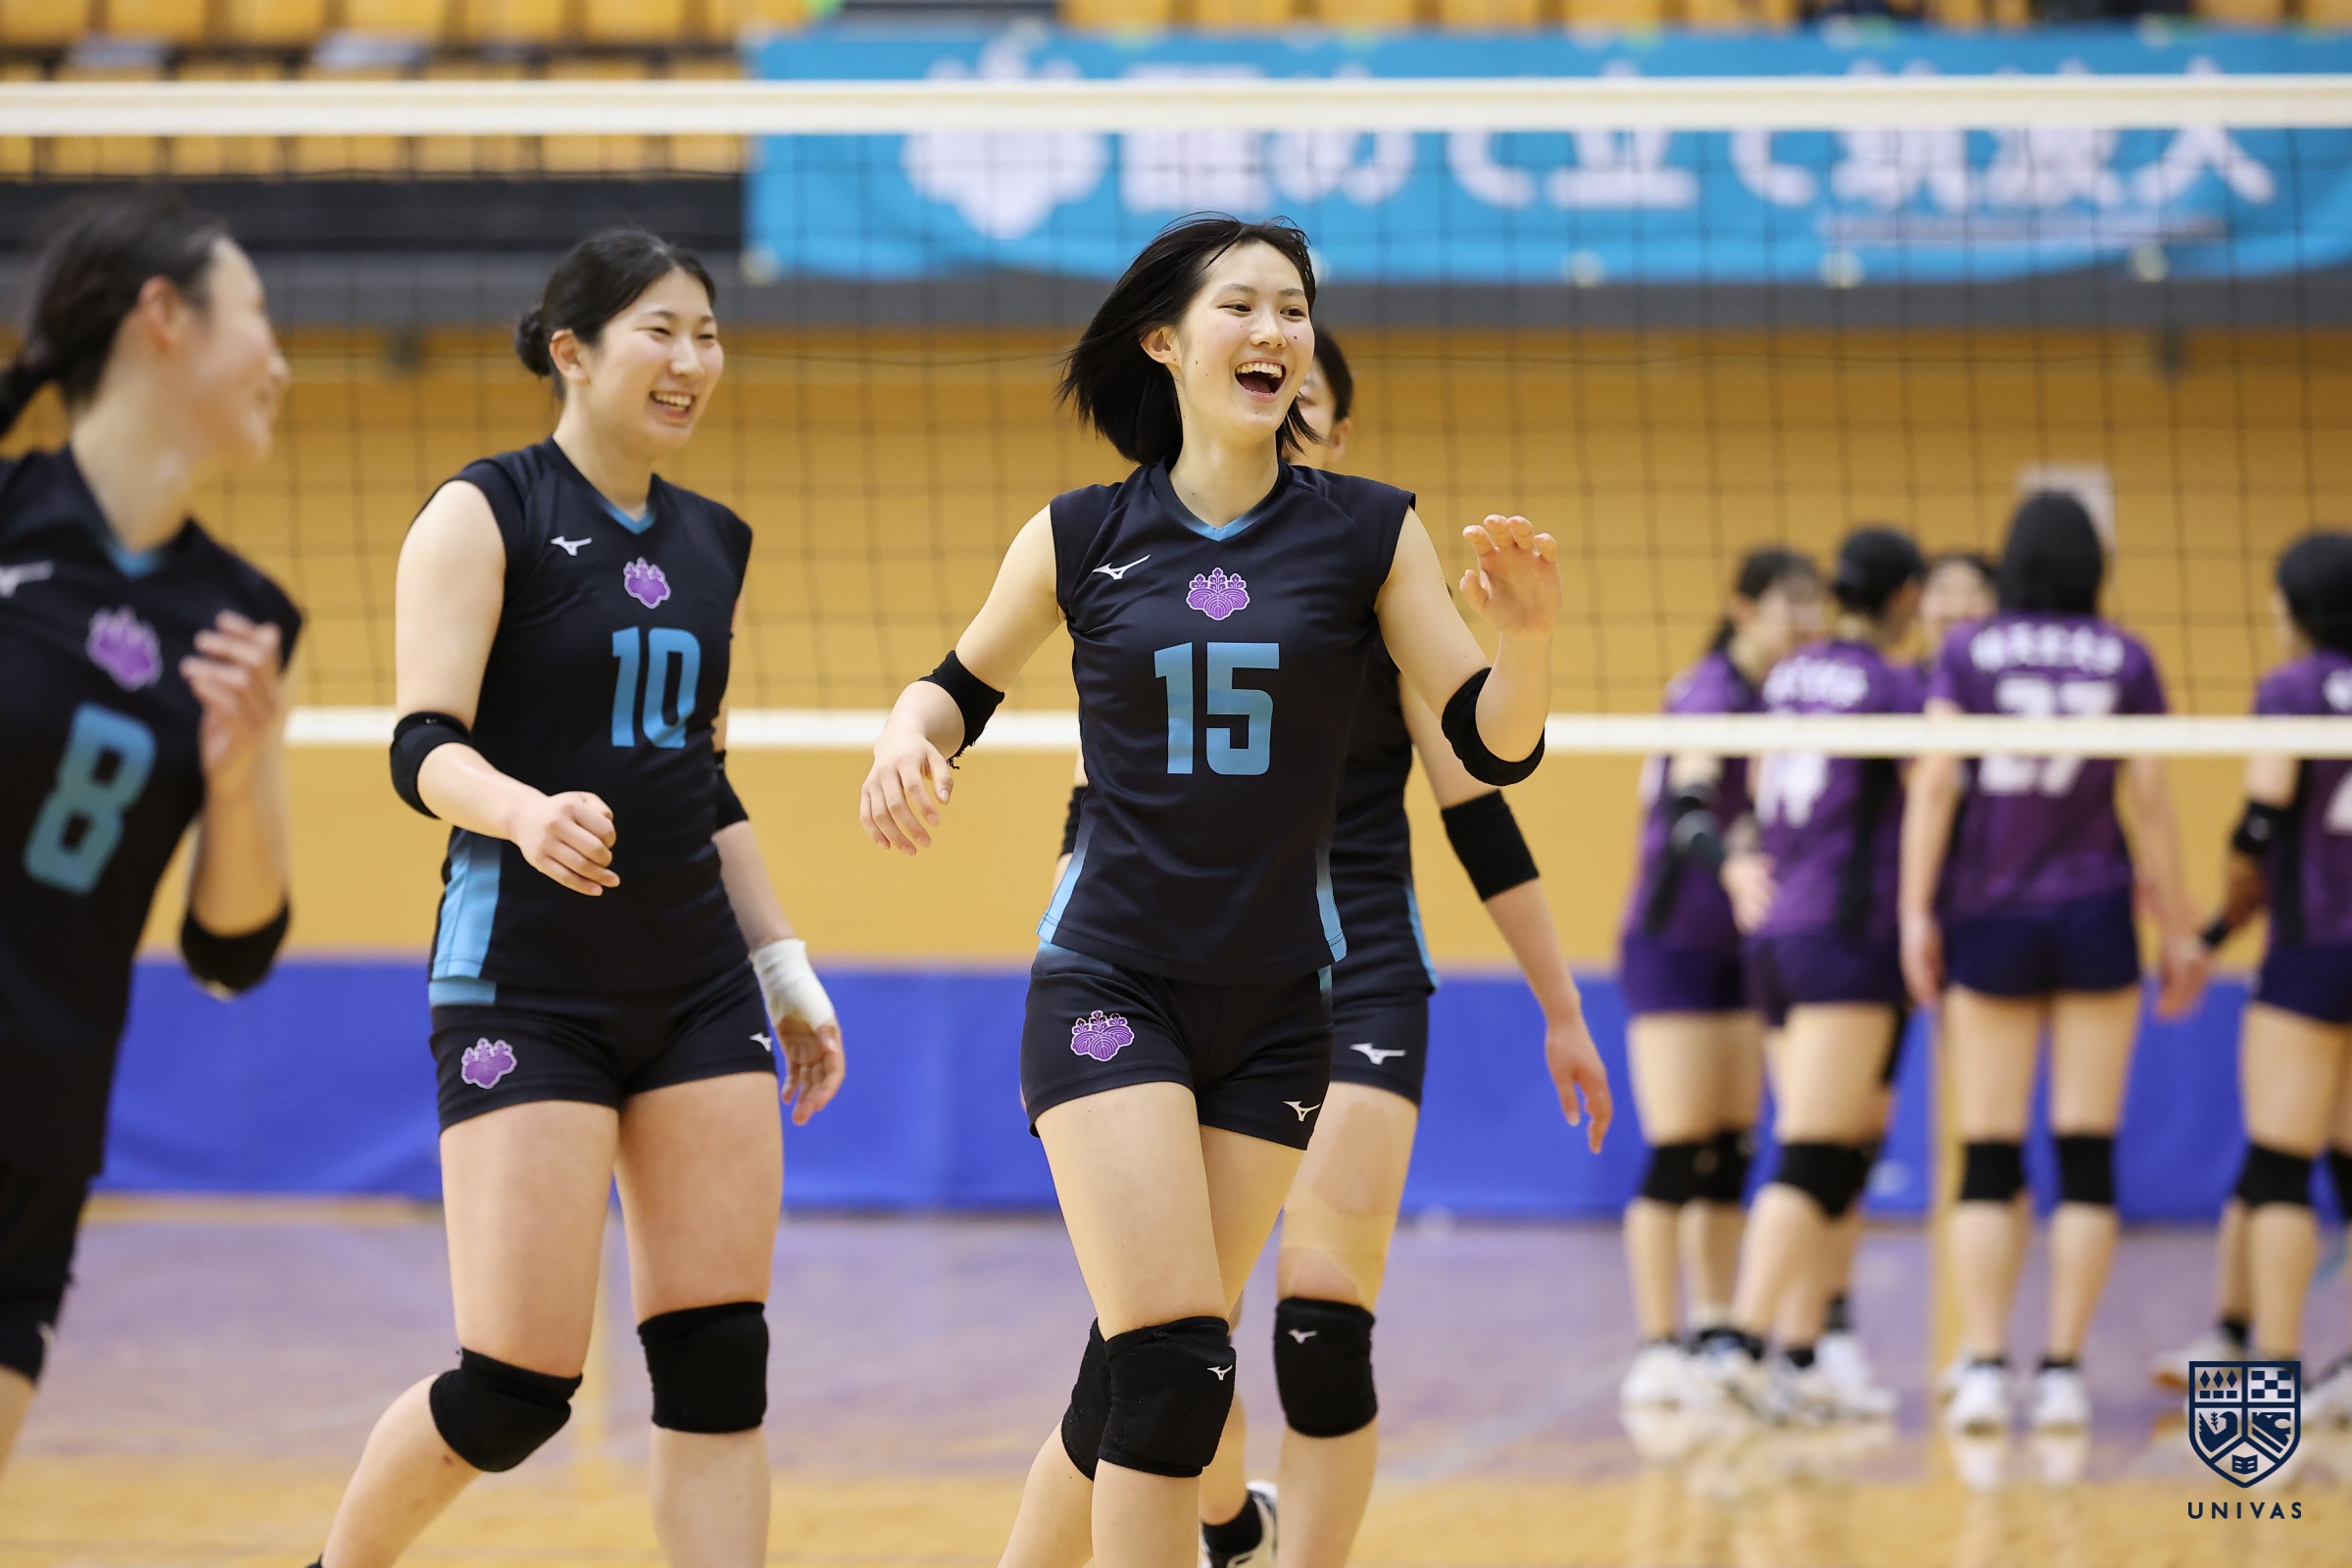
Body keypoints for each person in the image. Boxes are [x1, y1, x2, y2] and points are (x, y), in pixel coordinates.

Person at [858, 216, 1568, 1568]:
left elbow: (1489, 746)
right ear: (1166, 342)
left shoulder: (1371, 532)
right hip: (1112, 977)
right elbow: (953, 687)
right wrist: (907, 741)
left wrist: (1525, 644)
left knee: (1154, 1371)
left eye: (1293, 309)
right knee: (1172, 1361)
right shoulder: (1080, 534)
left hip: (1282, 1005)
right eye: (1241, 305)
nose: (1275, 332)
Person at [314, 230, 845, 1567]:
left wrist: (782, 965)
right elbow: (420, 745)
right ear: (572, 350)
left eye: (707, 334)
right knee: (513, 1389)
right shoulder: (483, 510)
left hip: (696, 986)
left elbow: (701, 778)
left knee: (718, 1366)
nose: (690, 360)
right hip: (526, 983)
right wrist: (523, 812)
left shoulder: (715, 541)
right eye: (660, 330)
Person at [1051, 329, 1610, 1568]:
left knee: (1321, 1320)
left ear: (1339, 432)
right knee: (1175, 1334)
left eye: (1309, 400)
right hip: (1190, 967)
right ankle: (1225, 1524)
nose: (1285, 409)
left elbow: (1483, 809)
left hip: (1358, 978)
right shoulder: (1147, 575)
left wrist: (1563, 1005)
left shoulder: (1375, 580)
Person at [0, 198, 301, 1478]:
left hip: (39, 1118)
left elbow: (235, 950)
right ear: (163, 319)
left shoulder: (246, 621)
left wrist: (237, 782)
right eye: (258, 314)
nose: (281, 359)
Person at [1899, 493, 2207, 1437]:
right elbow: (2150, 801)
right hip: (2094, 912)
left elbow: (1937, 782)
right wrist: (2180, 928)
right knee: (2085, 1153)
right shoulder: (2127, 656)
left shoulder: (1968, 650)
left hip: (1990, 910)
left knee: (1988, 1151)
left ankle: (1987, 1367)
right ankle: (2066, 1373)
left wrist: (1914, 911)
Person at [1691, 527, 1927, 1421]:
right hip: (1846, 933)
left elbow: (1753, 793)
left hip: (1777, 932)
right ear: (1905, 599)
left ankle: (1798, 1353)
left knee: (1830, 1150)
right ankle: (1742, 1344)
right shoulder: (1896, 688)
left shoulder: (1788, 677)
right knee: (1816, 1149)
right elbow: (1935, 797)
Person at [1616, 547, 1821, 1410]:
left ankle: (1712, 1325)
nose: (1804, 620)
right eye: (1787, 603)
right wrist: (1732, 865)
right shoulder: (1710, 690)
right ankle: (1656, 1343)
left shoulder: (1791, 698)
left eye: (1813, 604)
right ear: (1743, 609)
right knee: (1678, 1149)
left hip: (1748, 945)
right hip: (1674, 940)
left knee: (1733, 1149)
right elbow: (1686, 807)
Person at [2192, 532, 2352, 1422]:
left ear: (2296, 607)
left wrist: (2215, 928)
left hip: (2313, 948)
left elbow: (2260, 825)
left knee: (2282, 1164)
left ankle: (2271, 1383)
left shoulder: (2293, 689)